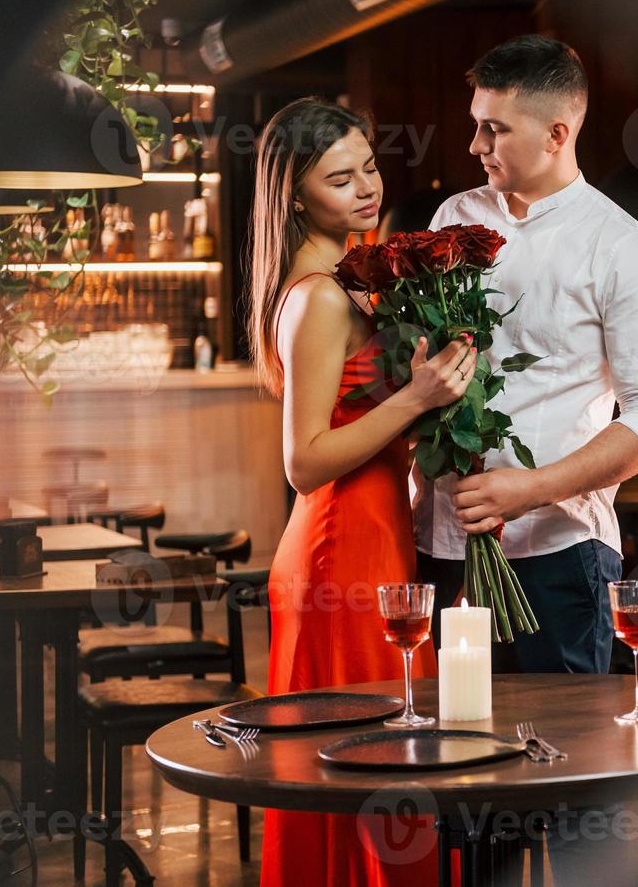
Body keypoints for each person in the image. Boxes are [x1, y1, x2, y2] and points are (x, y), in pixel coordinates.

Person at [247, 97, 473, 886]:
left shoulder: (351, 281)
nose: (366, 190)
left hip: (374, 541)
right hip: (340, 556)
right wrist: (417, 401)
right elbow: (304, 462)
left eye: (370, 168)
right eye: (341, 180)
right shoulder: (315, 297)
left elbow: (366, 426)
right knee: (375, 777)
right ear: (296, 197)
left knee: (380, 770)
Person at [413, 34, 638, 672]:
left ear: (556, 134)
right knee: (451, 753)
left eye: (493, 129)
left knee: (560, 759)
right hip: (442, 544)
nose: (475, 146)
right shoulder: (453, 216)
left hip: (561, 556)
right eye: (476, 126)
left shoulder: (622, 247)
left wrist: (532, 489)